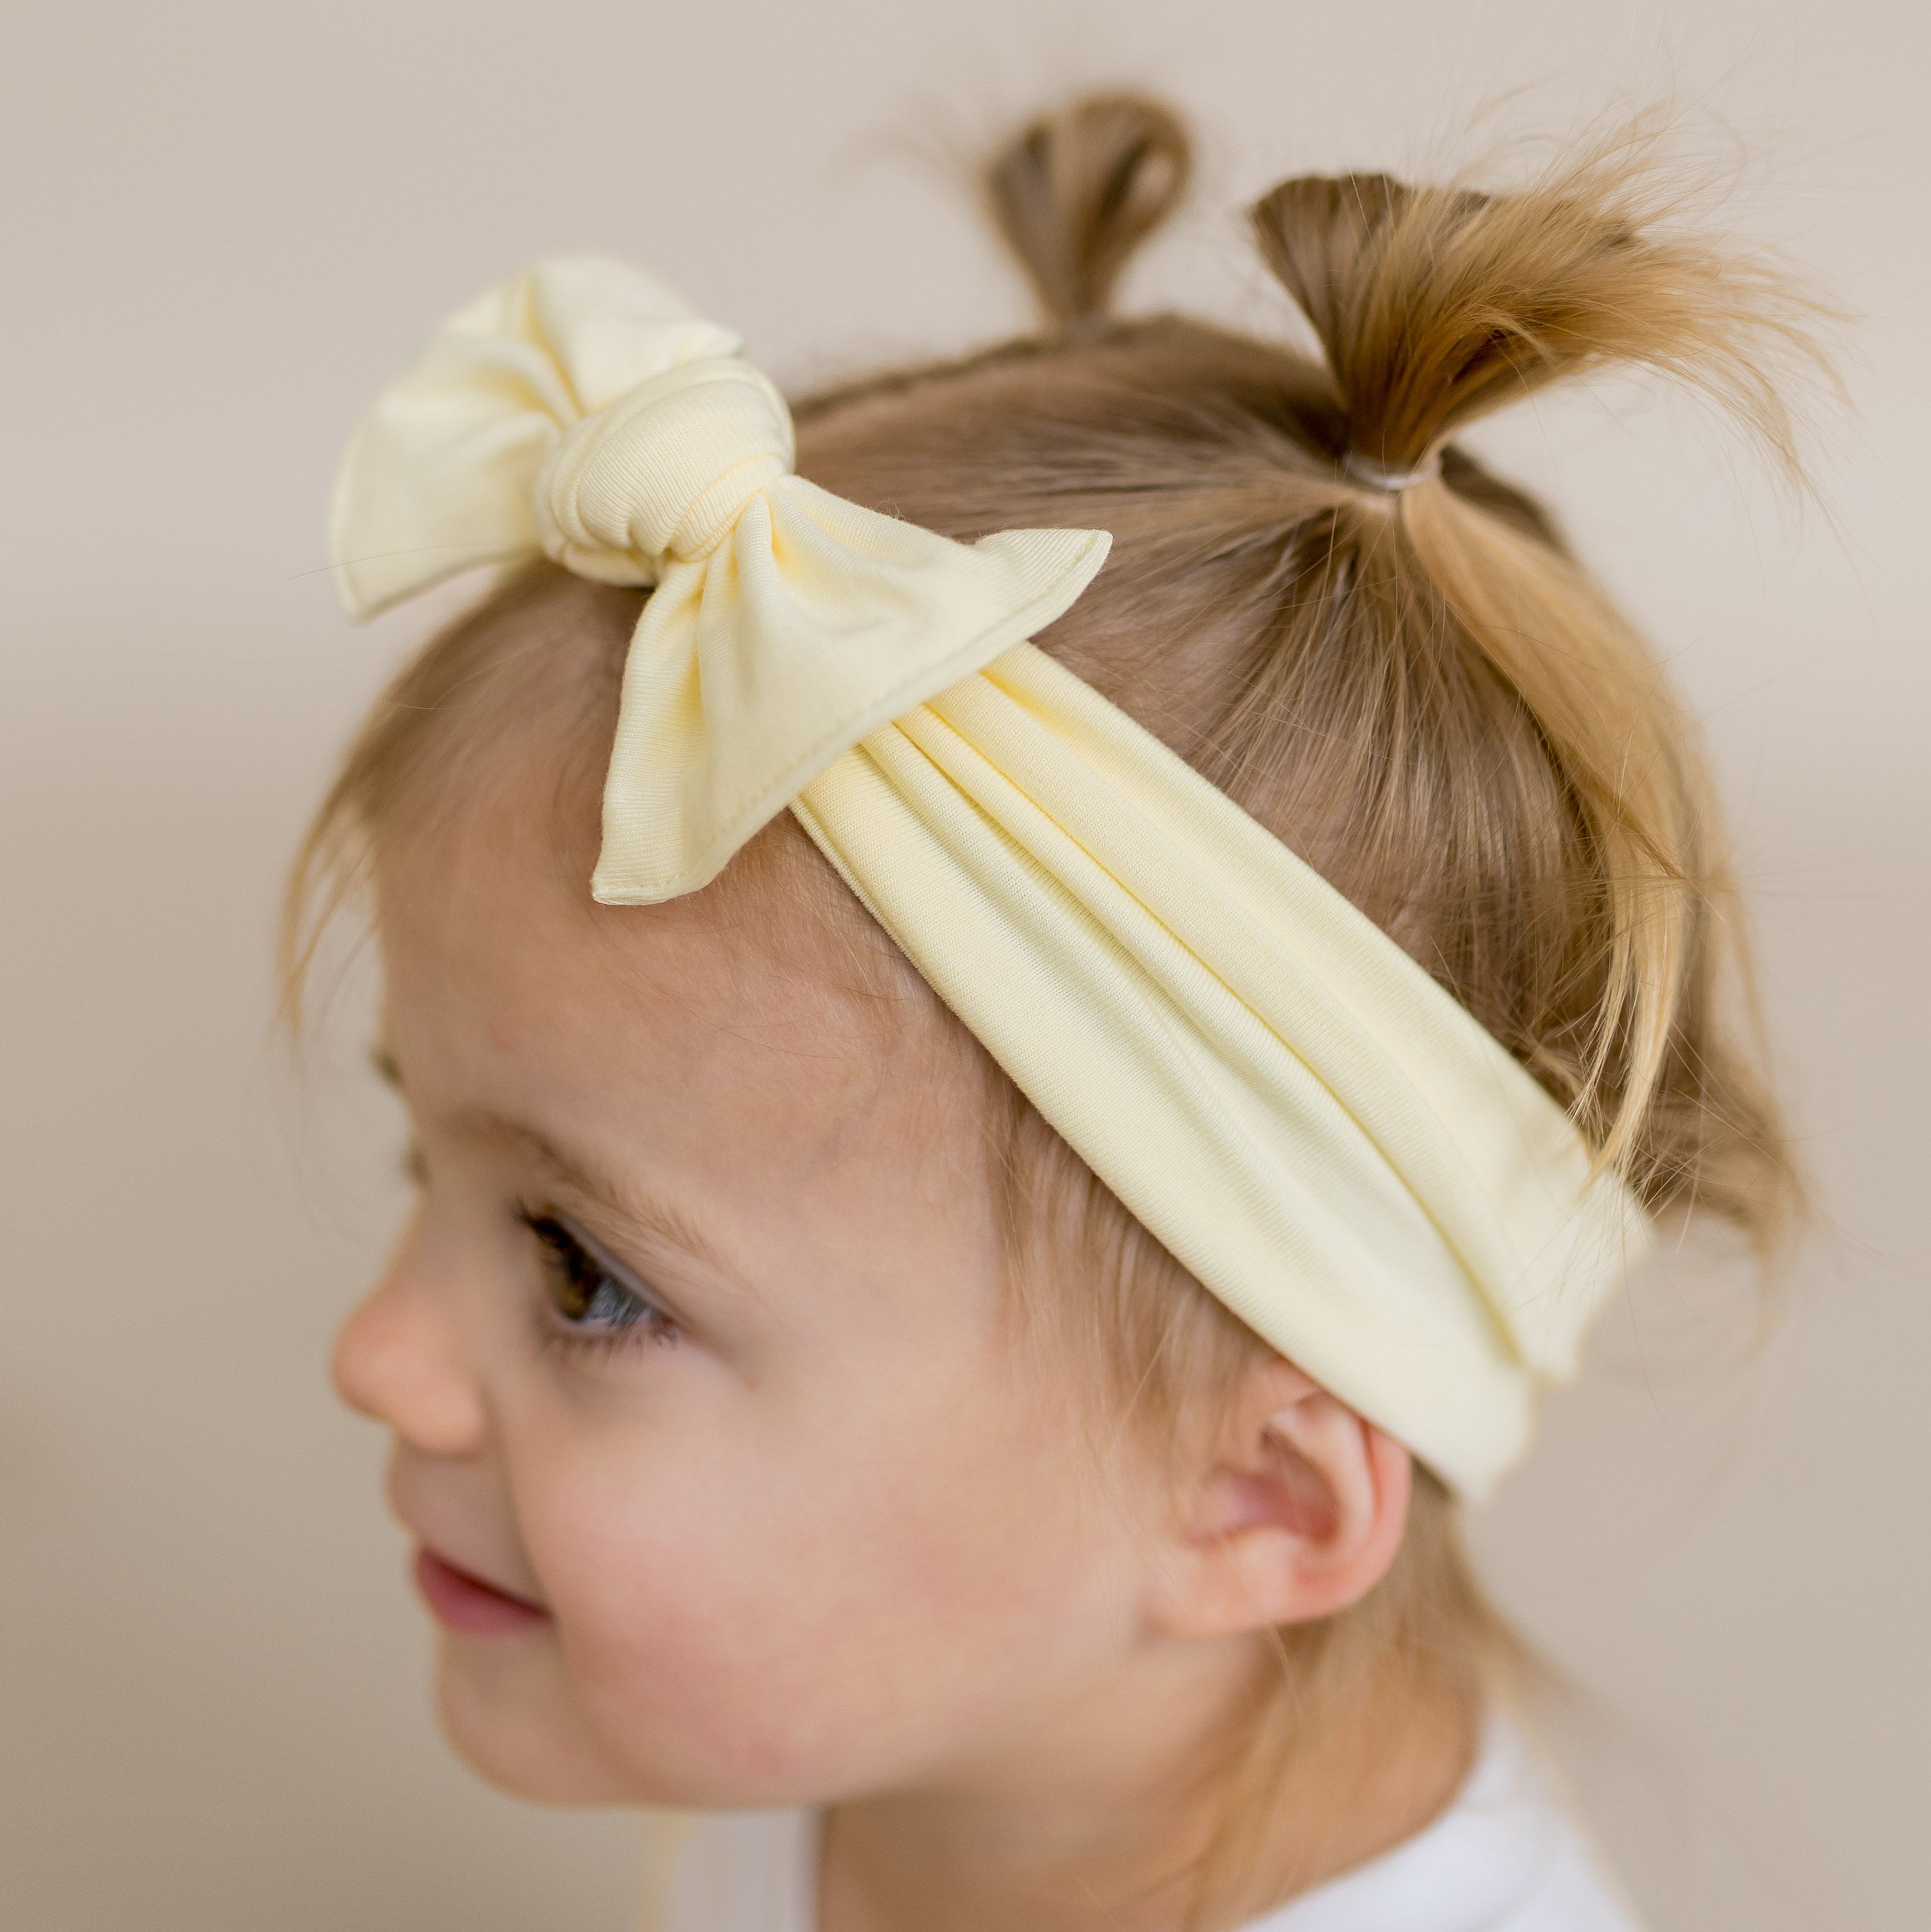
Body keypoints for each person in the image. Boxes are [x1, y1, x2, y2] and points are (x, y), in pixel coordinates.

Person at [292, 91, 1823, 1932]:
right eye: (421, 1145)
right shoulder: (901, 1746)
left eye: (582, 1272)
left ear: (1250, 1493)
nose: (375, 1350)